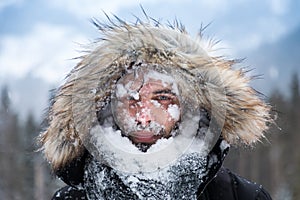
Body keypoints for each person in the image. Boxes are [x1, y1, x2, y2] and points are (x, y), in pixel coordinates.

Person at [39, 14, 273, 200]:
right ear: (106, 108)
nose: (143, 117)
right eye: (130, 100)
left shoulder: (242, 196)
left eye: (162, 99)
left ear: (191, 107)